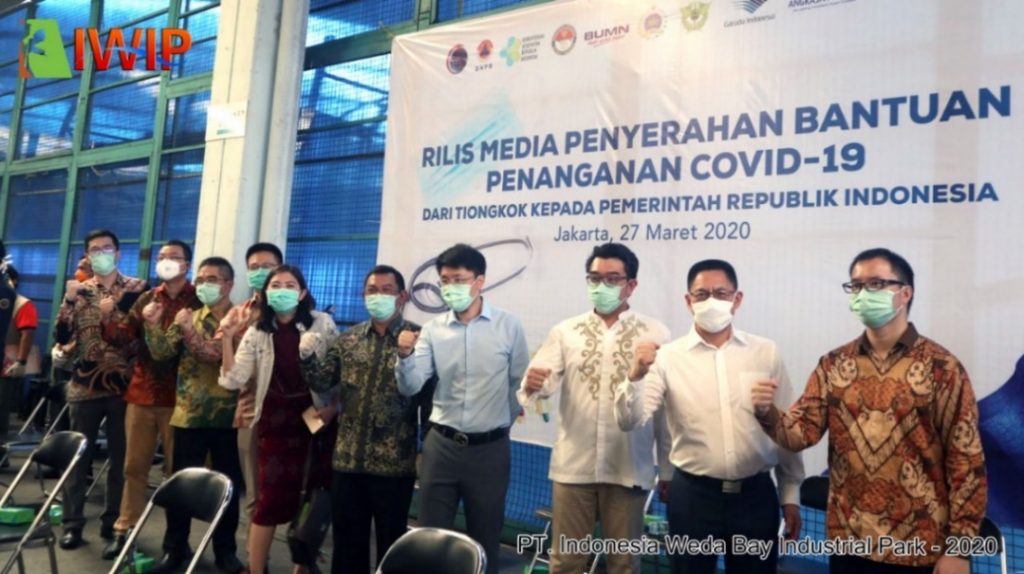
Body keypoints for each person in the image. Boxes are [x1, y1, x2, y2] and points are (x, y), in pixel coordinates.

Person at [752, 248, 987, 574]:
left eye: (876, 284)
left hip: (920, 547)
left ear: (905, 293)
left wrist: (959, 551)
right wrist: (766, 412)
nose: (863, 294)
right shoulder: (835, 364)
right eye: (856, 286)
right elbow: (801, 434)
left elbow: (966, 462)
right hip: (849, 542)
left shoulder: (942, 368)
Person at [615, 259, 805, 574]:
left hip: (755, 497)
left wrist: (790, 493)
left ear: (737, 299)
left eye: (721, 293)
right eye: (702, 294)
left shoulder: (765, 352)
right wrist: (634, 376)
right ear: (688, 301)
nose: (711, 301)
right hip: (693, 497)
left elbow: (786, 427)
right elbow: (628, 421)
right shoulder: (666, 358)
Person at [518, 243, 671, 574]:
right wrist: (533, 384)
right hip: (574, 467)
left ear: (632, 284)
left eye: (613, 278)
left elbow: (663, 410)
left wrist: (668, 469)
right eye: (595, 278)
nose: (602, 286)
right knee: (566, 561)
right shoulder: (566, 331)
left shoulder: (656, 333)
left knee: (624, 564)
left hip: (629, 467)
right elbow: (542, 382)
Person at [396, 243, 529, 574]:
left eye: (458, 279)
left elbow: (520, 385)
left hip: (490, 450)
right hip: (441, 445)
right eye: (445, 280)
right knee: (429, 537)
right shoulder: (432, 330)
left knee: (485, 538)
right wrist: (404, 357)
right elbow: (411, 386)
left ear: (479, 281)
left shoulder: (508, 326)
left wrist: (497, 424)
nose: (450, 287)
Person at [301, 264, 434, 574]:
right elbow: (322, 382)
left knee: (392, 546)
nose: (379, 296)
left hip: (394, 464)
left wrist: (425, 448)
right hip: (348, 461)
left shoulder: (419, 339)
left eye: (387, 290)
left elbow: (428, 400)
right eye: (372, 290)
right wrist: (307, 358)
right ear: (363, 295)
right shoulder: (349, 340)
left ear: (402, 296)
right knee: (347, 546)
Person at [219, 264, 337, 574]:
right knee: (269, 501)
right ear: (266, 293)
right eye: (275, 285)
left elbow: (340, 373)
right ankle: (256, 569)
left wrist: (333, 408)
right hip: (274, 422)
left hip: (315, 419)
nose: (282, 290)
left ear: (302, 292)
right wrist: (227, 338)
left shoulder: (321, 323)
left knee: (311, 497)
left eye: (289, 285)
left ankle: (301, 567)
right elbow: (233, 379)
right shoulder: (258, 330)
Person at [100, 239, 200, 561]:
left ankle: (176, 540)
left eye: (174, 257)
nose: (166, 261)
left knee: (177, 472)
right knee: (134, 466)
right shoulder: (147, 298)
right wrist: (108, 317)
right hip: (142, 393)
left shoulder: (199, 299)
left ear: (186, 265)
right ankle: (124, 529)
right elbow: (122, 336)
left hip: (181, 399)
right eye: (162, 256)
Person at [145, 256, 244, 574]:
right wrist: (152, 325)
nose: (204, 285)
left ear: (228, 284)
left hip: (229, 417)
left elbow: (212, 354)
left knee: (228, 487)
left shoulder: (240, 319)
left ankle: (225, 550)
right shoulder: (190, 315)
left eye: (212, 279)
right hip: (189, 414)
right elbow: (162, 352)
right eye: (200, 280)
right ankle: (174, 548)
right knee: (181, 485)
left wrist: (187, 330)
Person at [58, 229, 146, 549]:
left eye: (107, 248)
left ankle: (113, 523)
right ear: (87, 255)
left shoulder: (137, 287)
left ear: (118, 253)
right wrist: (69, 300)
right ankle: (72, 524)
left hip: (126, 388)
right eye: (95, 249)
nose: (101, 254)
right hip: (84, 386)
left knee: (122, 461)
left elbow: (140, 334)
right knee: (77, 459)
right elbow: (61, 334)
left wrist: (113, 313)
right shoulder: (78, 290)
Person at [224, 242, 283, 524]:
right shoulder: (238, 315)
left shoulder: (303, 312)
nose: (261, 272)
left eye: (267, 266)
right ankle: (255, 549)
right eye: (254, 267)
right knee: (254, 492)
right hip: (251, 411)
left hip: (294, 414)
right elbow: (228, 369)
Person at [0, 266, 42, 458]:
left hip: (7, 365)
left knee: (1, 410)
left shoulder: (22, 304)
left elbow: (27, 334)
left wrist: (21, 361)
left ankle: (1, 455)